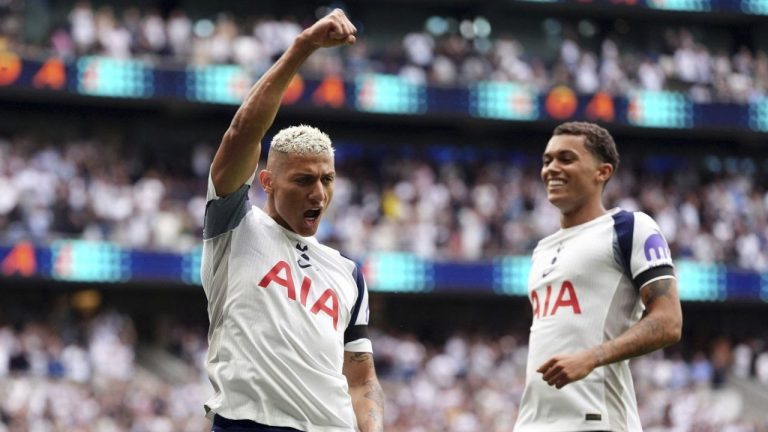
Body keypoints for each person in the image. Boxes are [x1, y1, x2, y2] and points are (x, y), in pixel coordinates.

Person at [200, 9, 384, 432]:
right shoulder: (235, 226)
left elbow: (361, 378)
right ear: (267, 181)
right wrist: (303, 48)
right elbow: (242, 133)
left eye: (327, 180)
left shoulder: (348, 274)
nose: (318, 194)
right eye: (302, 180)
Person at [514, 122, 683, 432]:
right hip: (533, 424)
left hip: (597, 421)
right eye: (547, 160)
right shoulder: (541, 249)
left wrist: (592, 357)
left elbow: (669, 322)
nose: (551, 168)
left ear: (602, 172)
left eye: (566, 159)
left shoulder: (630, 227)